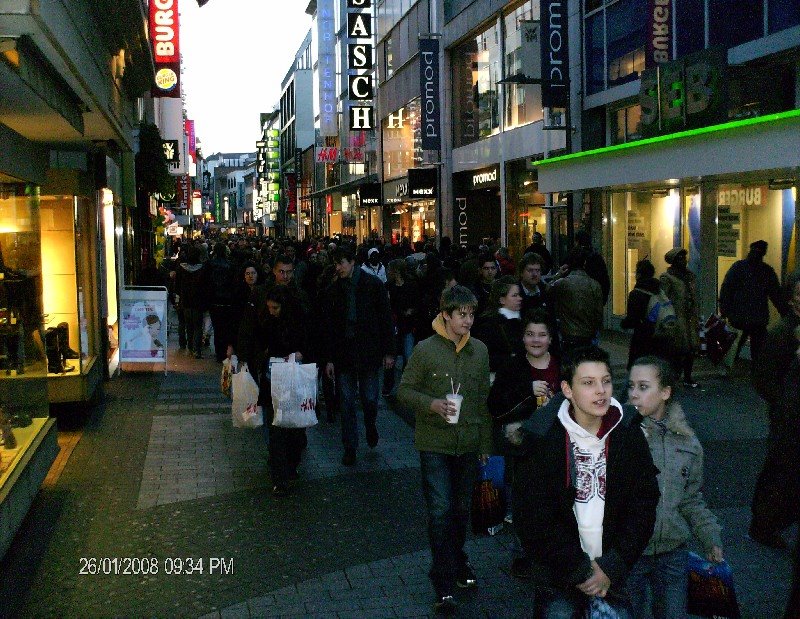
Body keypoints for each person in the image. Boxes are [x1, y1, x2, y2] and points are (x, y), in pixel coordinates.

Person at [512, 345, 660, 618]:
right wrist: (579, 570)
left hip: (614, 574)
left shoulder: (628, 433)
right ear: (567, 390)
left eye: (605, 381)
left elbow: (643, 503)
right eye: (588, 383)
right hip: (558, 575)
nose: (601, 391)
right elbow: (533, 515)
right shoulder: (543, 437)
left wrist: (612, 566)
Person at [397, 285, 492, 615]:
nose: (468, 321)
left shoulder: (479, 350)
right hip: (434, 443)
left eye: (471, 315)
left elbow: (481, 401)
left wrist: (484, 443)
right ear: (446, 315)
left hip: (467, 443)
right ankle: (443, 581)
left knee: (460, 510)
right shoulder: (426, 350)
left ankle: (458, 557)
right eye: (462, 315)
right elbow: (404, 392)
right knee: (440, 511)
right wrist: (432, 404)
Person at [626, 356, 723, 619]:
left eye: (643, 387)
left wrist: (710, 536)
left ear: (665, 392)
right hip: (629, 552)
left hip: (673, 552)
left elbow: (691, 498)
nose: (634, 394)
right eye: (631, 386)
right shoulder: (621, 436)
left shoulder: (688, 444)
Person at [488, 309, 560, 579]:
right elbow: (495, 406)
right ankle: (523, 554)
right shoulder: (513, 366)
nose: (536, 340)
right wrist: (527, 393)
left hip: (555, 444)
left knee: (555, 500)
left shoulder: (563, 366)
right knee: (523, 500)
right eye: (530, 334)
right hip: (521, 445)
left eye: (542, 334)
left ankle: (553, 551)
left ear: (551, 339)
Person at [321, 245, 395, 466]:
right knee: (346, 402)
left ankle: (370, 424)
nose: (338, 268)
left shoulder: (372, 285)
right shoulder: (334, 291)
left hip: (368, 351)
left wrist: (389, 351)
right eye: (336, 264)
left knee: (370, 398)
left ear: (352, 262)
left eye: (341, 263)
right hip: (344, 354)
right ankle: (350, 446)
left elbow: (385, 319)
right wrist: (329, 358)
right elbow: (330, 327)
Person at [238, 286, 310, 497]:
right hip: (272, 380)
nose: (272, 311)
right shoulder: (266, 320)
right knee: (276, 429)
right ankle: (279, 476)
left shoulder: (297, 322)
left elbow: (309, 342)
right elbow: (256, 341)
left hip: (293, 381)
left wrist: (300, 353)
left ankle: (290, 463)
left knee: (294, 429)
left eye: (275, 308)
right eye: (269, 307)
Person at [749, 270, 800, 549]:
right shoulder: (783, 333)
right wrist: (784, 404)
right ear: (791, 299)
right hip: (789, 417)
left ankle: (767, 522)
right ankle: (764, 524)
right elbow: (764, 378)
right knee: (783, 471)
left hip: (790, 413)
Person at [719, 240, 788, 367]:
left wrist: (724, 310)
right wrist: (785, 312)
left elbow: (727, 289)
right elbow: (776, 295)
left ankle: (727, 367)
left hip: (739, 315)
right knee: (757, 348)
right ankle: (757, 370)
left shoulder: (738, 267)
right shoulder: (766, 271)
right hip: (757, 317)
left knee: (735, 345)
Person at [547, 248, 604, 361]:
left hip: (568, 335)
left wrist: (558, 274)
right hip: (587, 336)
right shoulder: (595, 285)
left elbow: (547, 290)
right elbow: (599, 315)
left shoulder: (562, 283)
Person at [660, 248, 701, 388]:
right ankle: (674, 376)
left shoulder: (690, 277)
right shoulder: (667, 278)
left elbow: (694, 297)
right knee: (677, 349)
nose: (684, 261)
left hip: (690, 318)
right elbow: (664, 300)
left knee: (691, 348)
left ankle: (687, 377)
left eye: (684, 258)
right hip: (677, 318)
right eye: (680, 258)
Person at [473, 276, 524, 377]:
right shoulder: (489, 325)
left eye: (519, 295)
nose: (520, 298)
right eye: (514, 295)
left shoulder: (522, 320)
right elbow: (484, 357)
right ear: (502, 300)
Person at [384, 258, 420, 396]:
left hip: (406, 325)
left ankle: (406, 385)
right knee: (391, 358)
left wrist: (411, 311)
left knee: (408, 357)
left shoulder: (409, 285)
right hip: (395, 326)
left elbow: (416, 302)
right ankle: (389, 385)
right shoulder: (389, 286)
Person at [621, 259, 665, 369]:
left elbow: (632, 319)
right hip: (659, 336)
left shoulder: (636, 294)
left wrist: (624, 324)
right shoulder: (659, 291)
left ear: (639, 274)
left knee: (637, 369)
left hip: (641, 337)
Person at [174, 245, 207, 358]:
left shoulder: (181, 268)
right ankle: (197, 349)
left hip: (185, 301)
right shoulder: (202, 269)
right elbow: (206, 287)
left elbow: (176, 286)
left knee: (189, 325)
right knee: (198, 326)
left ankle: (190, 346)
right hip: (198, 301)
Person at [206, 242, 236, 362]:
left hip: (214, 301)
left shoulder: (210, 264)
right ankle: (224, 352)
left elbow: (207, 283)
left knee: (217, 328)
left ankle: (219, 352)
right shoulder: (230, 265)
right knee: (226, 327)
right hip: (227, 301)